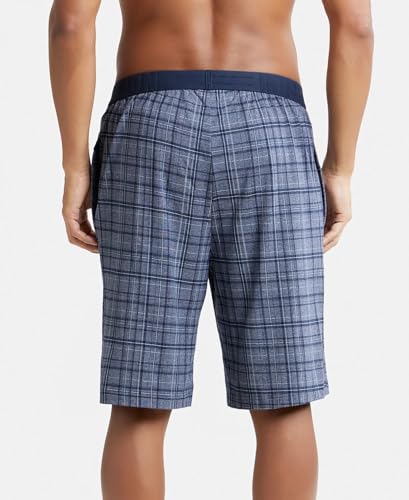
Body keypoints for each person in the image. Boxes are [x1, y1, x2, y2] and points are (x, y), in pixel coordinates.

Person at [49, 0, 373, 498]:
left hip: (150, 124)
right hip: (271, 128)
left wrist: (75, 166)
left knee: (140, 396)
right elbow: (356, 26)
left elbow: (71, 22)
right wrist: (340, 168)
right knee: (284, 396)